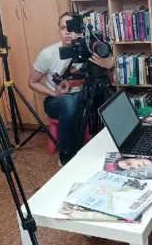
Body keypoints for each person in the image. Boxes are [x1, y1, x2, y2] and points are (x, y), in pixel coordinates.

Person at [28, 12, 114, 166]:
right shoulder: (48, 54)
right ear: (59, 31)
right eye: (63, 28)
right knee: (69, 103)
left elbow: (108, 77)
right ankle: (66, 156)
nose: (67, 32)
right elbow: (32, 82)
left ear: (80, 30)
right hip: (56, 101)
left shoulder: (89, 49)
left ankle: (113, 146)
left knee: (108, 95)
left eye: (71, 27)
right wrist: (54, 93)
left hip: (83, 96)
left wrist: (108, 65)